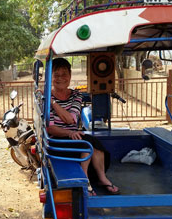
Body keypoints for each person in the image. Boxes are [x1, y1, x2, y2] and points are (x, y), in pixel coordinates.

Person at [47, 57, 119, 195]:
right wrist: (69, 133)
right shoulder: (45, 98)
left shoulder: (76, 95)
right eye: (56, 75)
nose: (60, 78)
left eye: (64, 74)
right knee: (86, 143)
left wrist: (53, 103)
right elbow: (50, 128)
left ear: (70, 76)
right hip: (56, 142)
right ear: (51, 77)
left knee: (91, 142)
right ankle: (86, 180)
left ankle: (99, 178)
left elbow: (71, 119)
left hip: (74, 139)